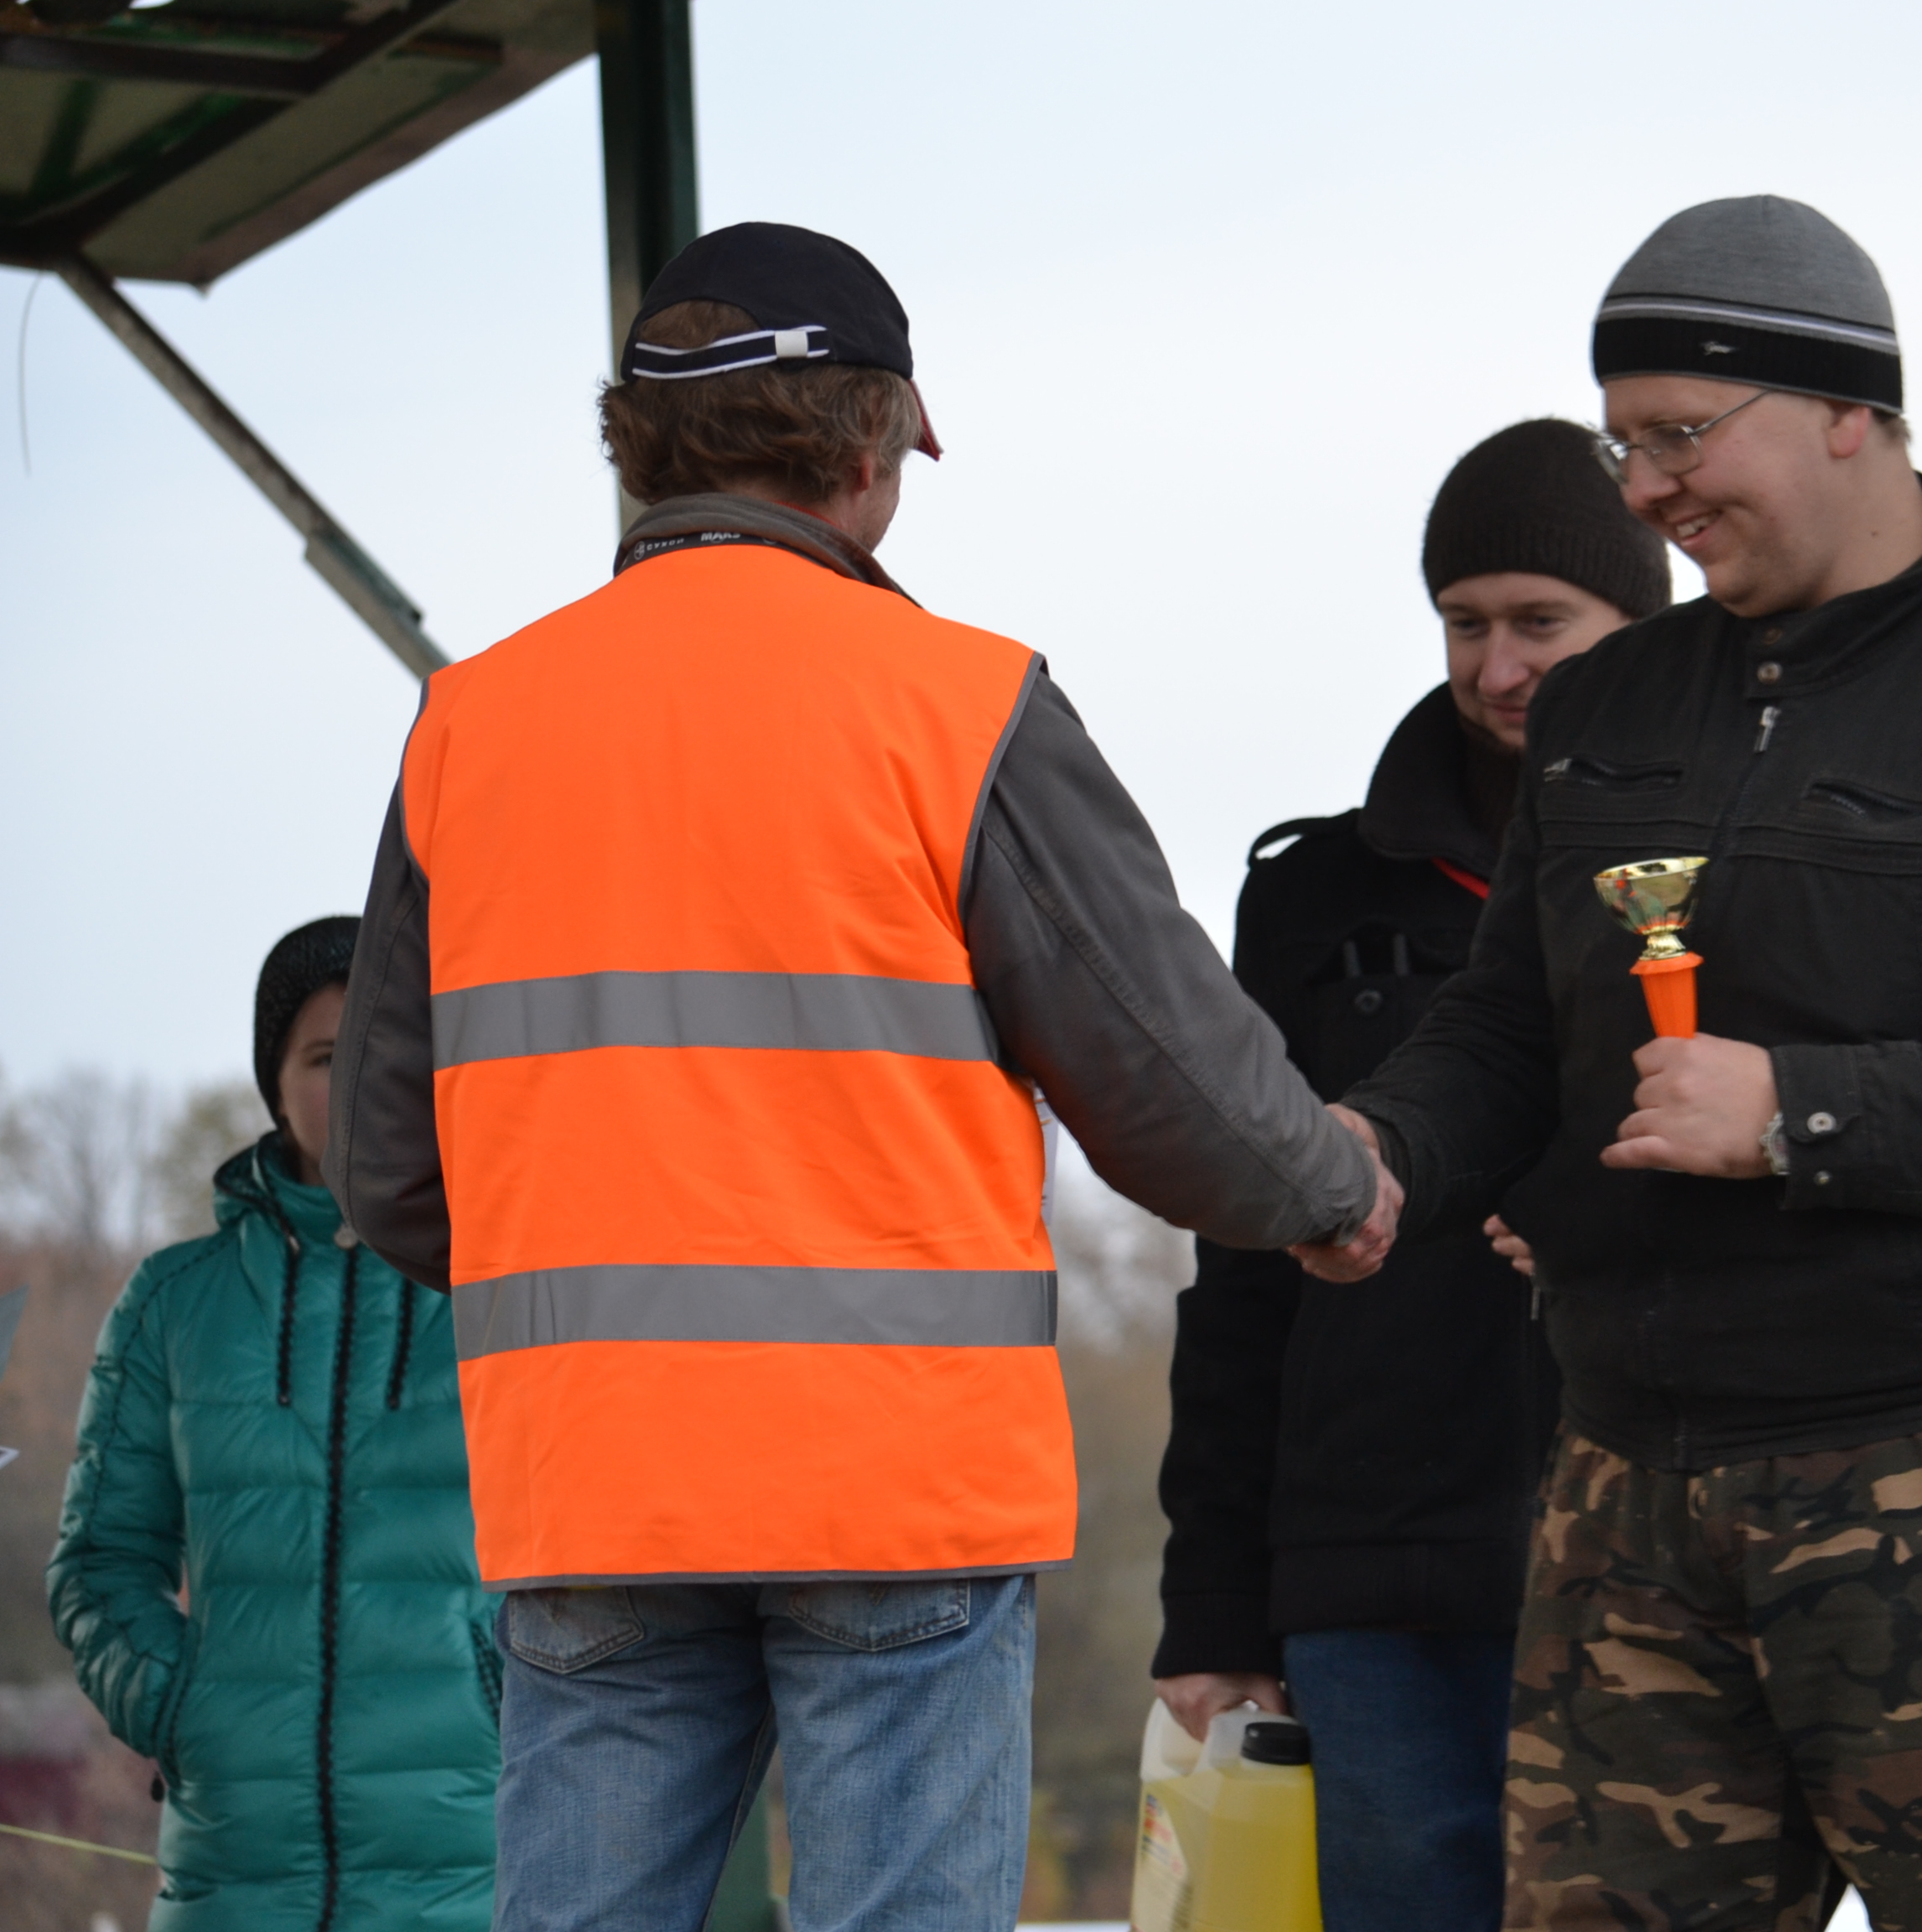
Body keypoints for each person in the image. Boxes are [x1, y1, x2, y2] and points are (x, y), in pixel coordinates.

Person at [325, 223, 1396, 1932]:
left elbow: (387, 1167)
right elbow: (1164, 1070)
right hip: (895, 1478)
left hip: (593, 1474)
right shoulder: (954, 704)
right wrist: (1334, 1189)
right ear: (871, 441)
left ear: (643, 441)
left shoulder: (474, 722)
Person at [1323, 197, 1922, 1931]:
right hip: (1630, 1475)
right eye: (1623, 445)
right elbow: (1512, 1027)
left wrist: (1801, 1113)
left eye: (1682, 435)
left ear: (1849, 407)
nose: (1647, 490)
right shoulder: (1606, 708)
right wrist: (1374, 1149)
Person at [1153, 420, 1671, 1932]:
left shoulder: (1735, 875)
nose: (1499, 666)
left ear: (1640, 621)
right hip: (1376, 1576)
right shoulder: (1312, 898)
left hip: (1667, 1553)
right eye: (1465, 622)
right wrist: (1214, 1607)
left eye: (1542, 622)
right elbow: (1240, 1277)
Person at [51, 917, 500, 1930]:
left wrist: (500, 1693)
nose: (357, 1084)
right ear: (276, 1083)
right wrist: (180, 1703)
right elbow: (99, 1561)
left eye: (386, 1053)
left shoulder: (505, 1291)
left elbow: (595, 1546)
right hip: (232, 1877)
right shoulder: (174, 1303)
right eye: (325, 1057)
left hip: (470, 1874)